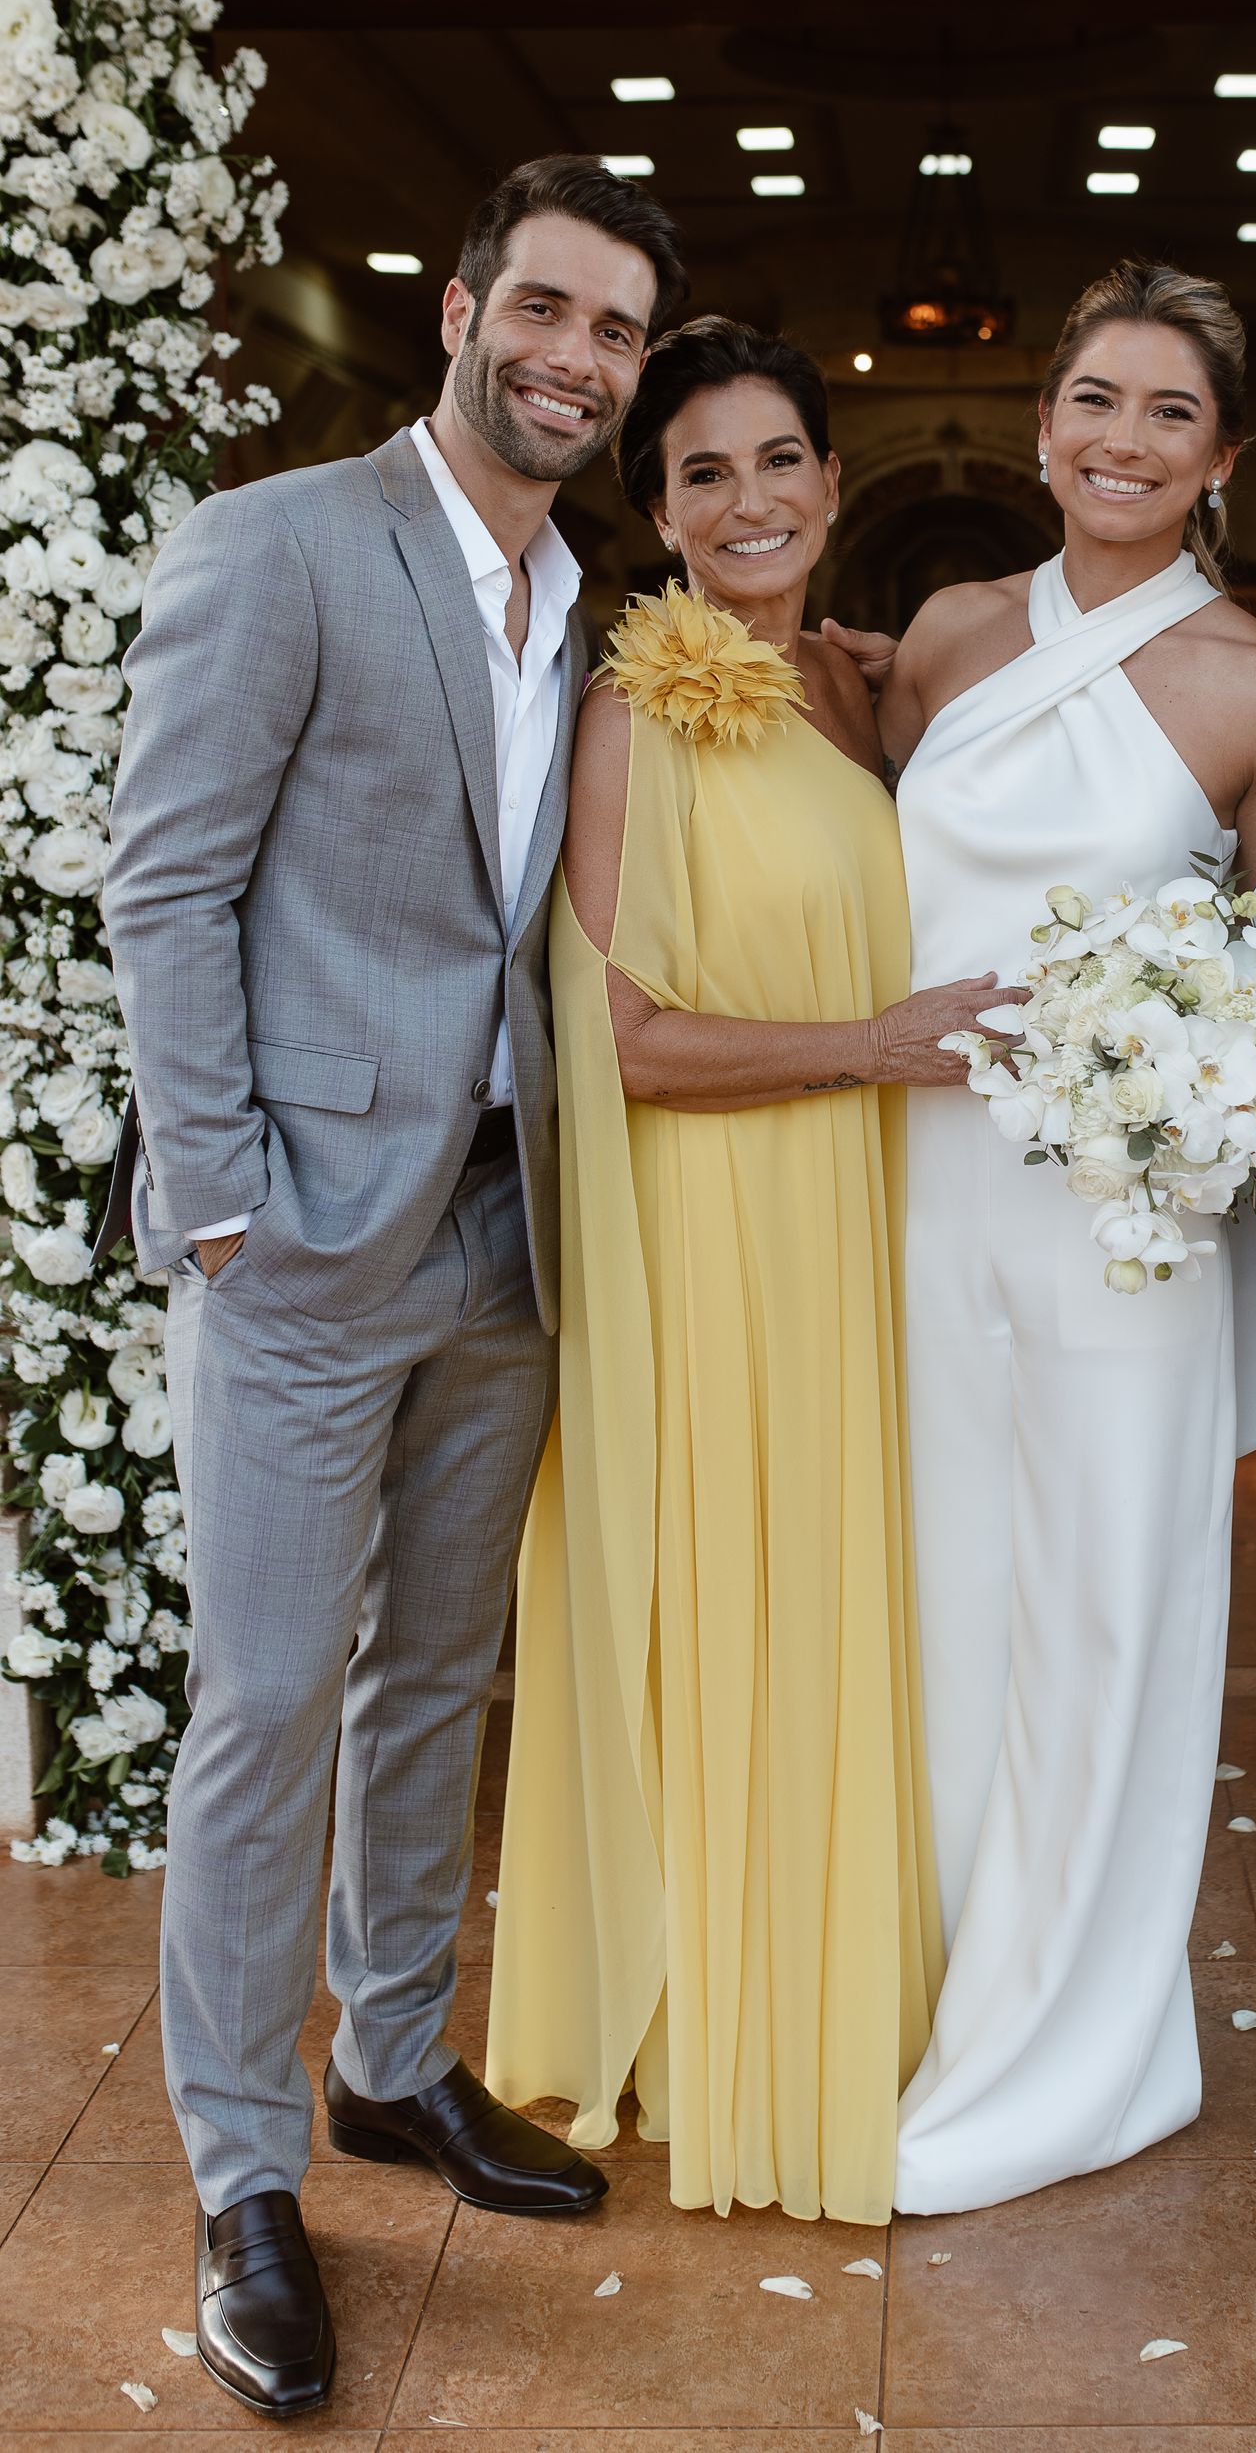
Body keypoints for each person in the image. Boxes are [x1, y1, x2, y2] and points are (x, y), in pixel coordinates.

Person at [101, 156, 685, 2417]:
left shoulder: (586, 593)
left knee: (439, 1674)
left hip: (505, 1227)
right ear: (460, 308)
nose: (574, 356)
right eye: (545, 306)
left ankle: (393, 2062)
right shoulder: (281, 546)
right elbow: (165, 886)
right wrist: (222, 1205)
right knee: (266, 1701)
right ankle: (246, 2171)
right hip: (304, 1239)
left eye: (614, 330)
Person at [485, 319, 1005, 2225]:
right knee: (738, 1607)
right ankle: (732, 2029)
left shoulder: (866, 687)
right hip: (717, 1239)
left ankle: (855, 1993)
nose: (750, 498)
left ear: (835, 482)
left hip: (871, 1221)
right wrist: (874, 1045)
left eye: (780, 458)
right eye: (703, 472)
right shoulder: (637, 712)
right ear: (659, 514)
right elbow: (617, 1037)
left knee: (862, 1594)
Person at [878, 259, 1256, 2215]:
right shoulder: (948, 639)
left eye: (1168, 414)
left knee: (1108, 1615)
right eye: (1093, 400)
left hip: (1129, 1229)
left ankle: (1079, 2050)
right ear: (1041, 423)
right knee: (947, 1601)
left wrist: (1200, 1091)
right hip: (923, 1193)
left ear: (1223, 457)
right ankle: (939, 1998)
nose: (1121, 441)